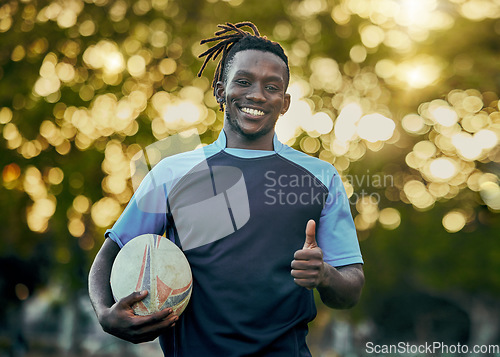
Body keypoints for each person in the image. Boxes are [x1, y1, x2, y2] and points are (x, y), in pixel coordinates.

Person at [88, 22, 364, 356]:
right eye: (244, 82)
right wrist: (104, 313)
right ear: (220, 90)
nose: (257, 95)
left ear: (286, 102)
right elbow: (112, 252)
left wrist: (324, 275)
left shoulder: (321, 177)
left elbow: (350, 289)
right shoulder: (171, 172)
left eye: (272, 86)